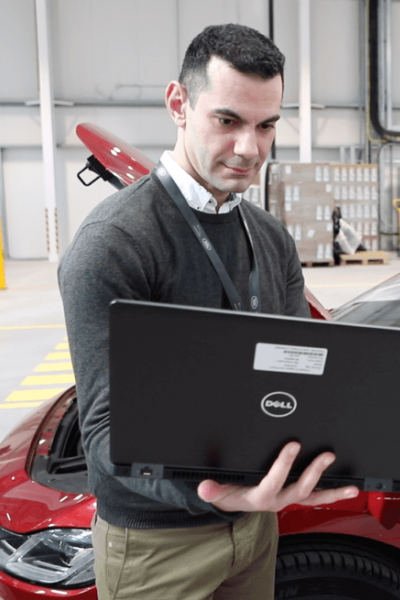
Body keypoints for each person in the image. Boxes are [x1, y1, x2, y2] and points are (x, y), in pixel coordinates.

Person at [58, 24, 358, 600]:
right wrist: (214, 492)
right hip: (157, 546)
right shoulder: (114, 243)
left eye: (267, 125)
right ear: (179, 104)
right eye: (228, 121)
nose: (251, 148)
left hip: (254, 528)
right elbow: (104, 432)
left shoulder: (270, 238)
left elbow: (297, 372)